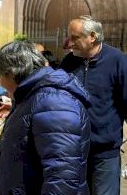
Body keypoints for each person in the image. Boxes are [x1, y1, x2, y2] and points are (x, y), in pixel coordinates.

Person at [0, 40, 91, 194]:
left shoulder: (54, 101)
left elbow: (62, 176)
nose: (2, 84)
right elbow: (17, 147)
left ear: (11, 74)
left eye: (1, 76)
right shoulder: (33, 96)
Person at [59, 15, 127, 195]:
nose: (69, 43)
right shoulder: (68, 62)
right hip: (72, 149)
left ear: (92, 36)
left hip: (105, 152)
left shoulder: (118, 61)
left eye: (75, 38)